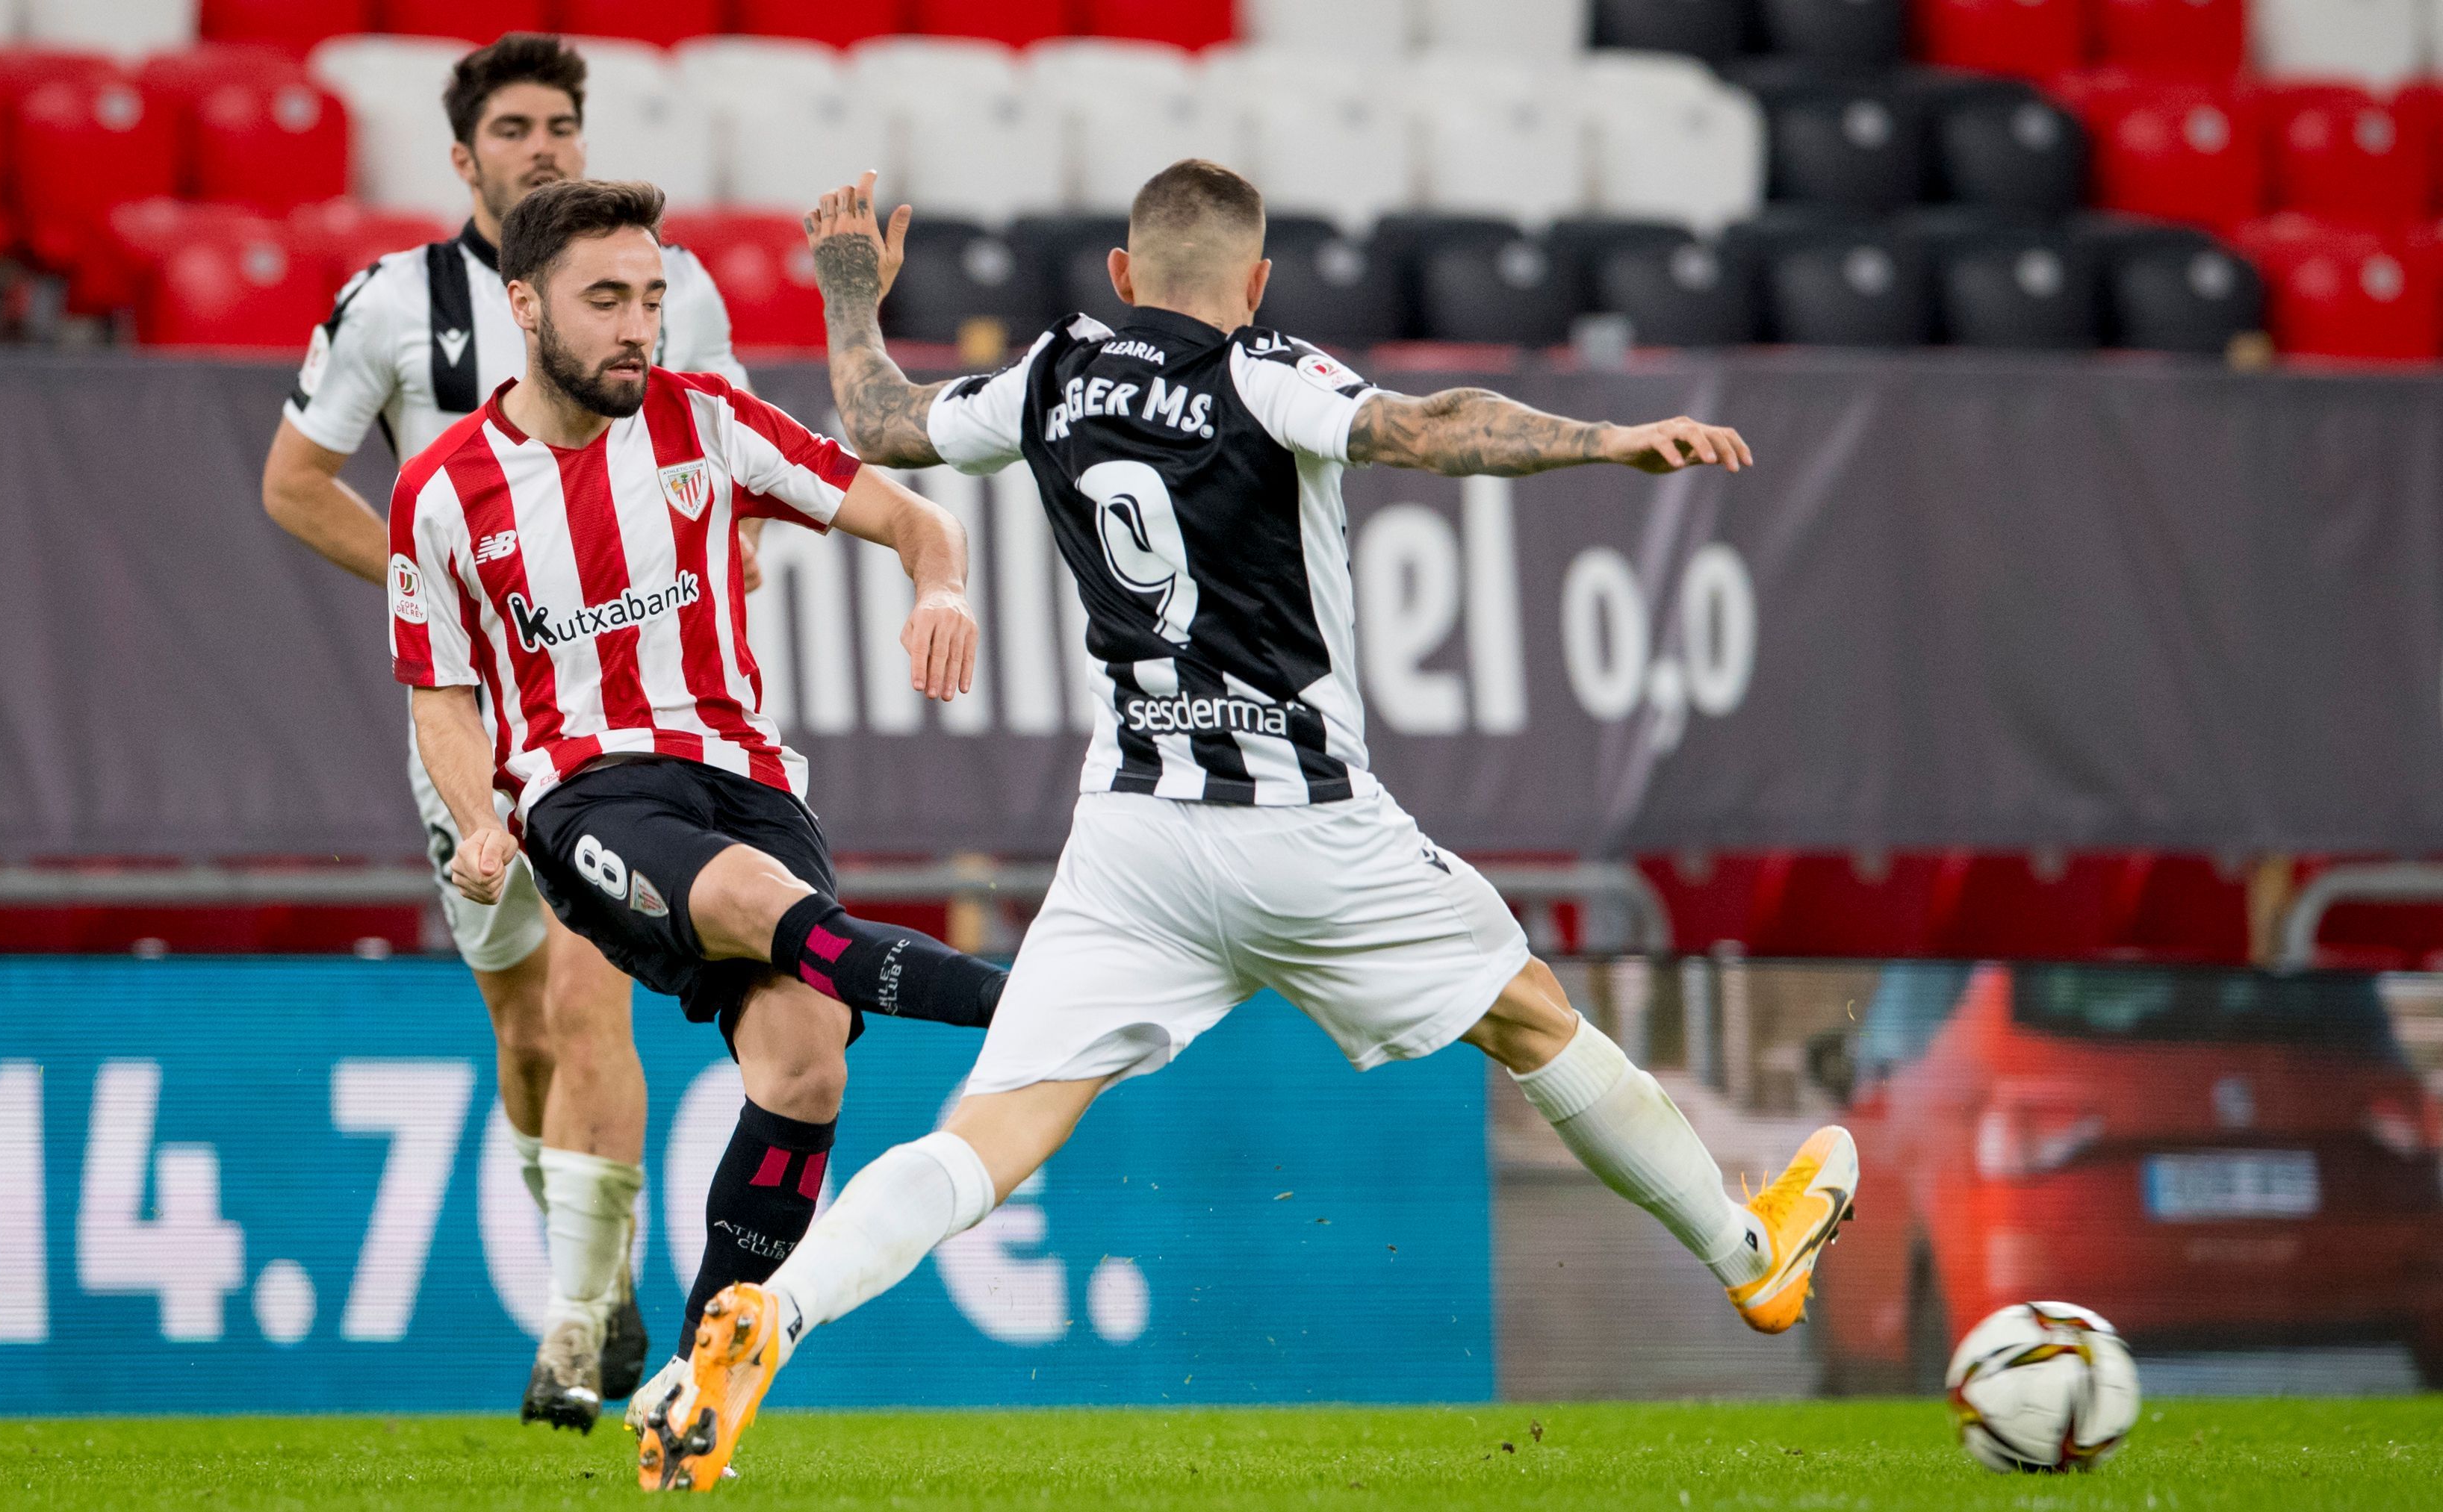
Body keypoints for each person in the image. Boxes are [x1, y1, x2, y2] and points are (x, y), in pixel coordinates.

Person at [638, 162, 1860, 1492]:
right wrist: (1600, 439)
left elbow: (877, 422)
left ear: (1120, 272)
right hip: (1308, 824)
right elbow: (1431, 426)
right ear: (1259, 281)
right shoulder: (1265, 370)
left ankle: (774, 1311)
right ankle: (1752, 1262)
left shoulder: (1051, 370)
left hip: (1135, 837)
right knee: (1531, 1016)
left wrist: (850, 296)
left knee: (989, 1134)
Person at [392, 177, 1009, 1449]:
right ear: (524, 304)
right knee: (749, 904)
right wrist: (480, 816)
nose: (639, 326)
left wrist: (939, 585)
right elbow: (441, 698)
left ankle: (689, 1388)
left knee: (806, 1058)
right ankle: (1032, 1002)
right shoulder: (445, 490)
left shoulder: (706, 422)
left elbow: (912, 512)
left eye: (655, 298)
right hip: (584, 795)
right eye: (607, 298)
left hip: (747, 777)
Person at [259, 34, 757, 1431]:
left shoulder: (672, 290)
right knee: (526, 1022)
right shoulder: (395, 303)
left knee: (593, 991)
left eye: (564, 123)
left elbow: (730, 458)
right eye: (517, 126)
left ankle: (578, 1325)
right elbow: (296, 482)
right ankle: (586, 1282)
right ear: (465, 156)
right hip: (474, 713)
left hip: (625, 717)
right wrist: (437, 595)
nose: (545, 145)